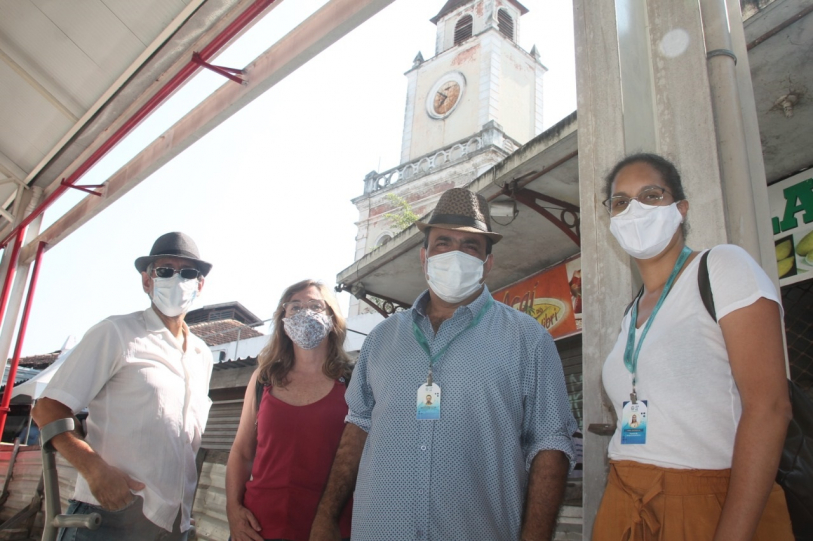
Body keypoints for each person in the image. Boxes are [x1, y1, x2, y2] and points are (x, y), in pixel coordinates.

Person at [311, 188, 577, 541]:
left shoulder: (528, 340)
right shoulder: (380, 340)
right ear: (424, 257)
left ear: (488, 263)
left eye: (470, 247)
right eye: (443, 243)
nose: (455, 255)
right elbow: (357, 428)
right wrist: (326, 517)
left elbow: (551, 445)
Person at [594, 153, 794, 540]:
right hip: (624, 499)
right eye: (621, 202)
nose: (634, 210)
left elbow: (770, 407)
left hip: (704, 502)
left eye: (651, 196)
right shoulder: (632, 311)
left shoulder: (721, 267)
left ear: (680, 209)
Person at [32, 232, 214, 541]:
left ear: (199, 284)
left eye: (187, 273)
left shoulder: (202, 355)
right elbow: (47, 409)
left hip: (173, 525)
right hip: (109, 516)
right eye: (165, 271)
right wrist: (93, 469)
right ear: (147, 281)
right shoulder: (116, 333)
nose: (177, 279)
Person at [226, 280, 353, 541]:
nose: (304, 312)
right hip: (257, 529)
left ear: (332, 317)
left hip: (327, 531)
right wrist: (232, 509)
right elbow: (242, 450)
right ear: (283, 320)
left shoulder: (353, 381)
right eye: (294, 307)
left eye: (315, 305)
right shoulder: (264, 378)